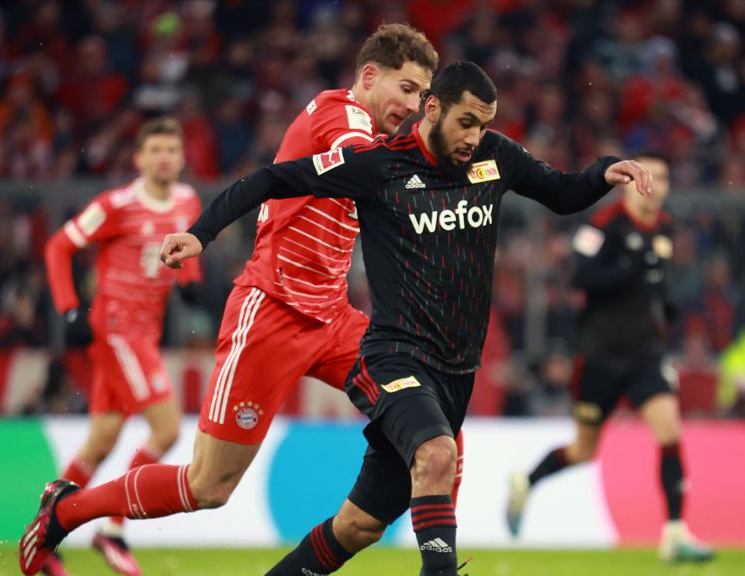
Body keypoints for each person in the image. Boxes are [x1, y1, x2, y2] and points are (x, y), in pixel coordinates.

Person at [166, 61, 650, 576]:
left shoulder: (495, 157)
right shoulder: (379, 165)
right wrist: (201, 233)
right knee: (439, 453)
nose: (474, 136)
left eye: (484, 124)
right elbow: (271, 179)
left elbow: (562, 191)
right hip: (393, 357)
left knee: (358, 527)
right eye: (466, 122)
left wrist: (603, 172)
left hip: (455, 373)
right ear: (433, 108)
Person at [19, 24, 439, 576]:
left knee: (429, 413)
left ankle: (424, 552)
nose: (412, 106)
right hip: (271, 313)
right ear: (369, 76)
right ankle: (66, 513)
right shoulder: (339, 118)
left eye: (421, 96)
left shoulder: (377, 138)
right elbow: (368, 163)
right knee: (208, 485)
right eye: (406, 89)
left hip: (334, 318)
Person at [505, 152, 716, 563]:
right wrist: (630, 267)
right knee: (585, 450)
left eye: (665, 176)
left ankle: (674, 534)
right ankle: (526, 482)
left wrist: (667, 307)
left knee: (669, 431)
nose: (656, 183)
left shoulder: (666, 229)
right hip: (599, 356)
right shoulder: (604, 225)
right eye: (649, 174)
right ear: (631, 181)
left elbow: (656, 283)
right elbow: (580, 279)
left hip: (644, 355)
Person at [38, 116, 202, 576]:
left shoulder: (188, 200)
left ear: (182, 157)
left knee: (102, 440)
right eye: (156, 150)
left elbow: (184, 251)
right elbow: (57, 247)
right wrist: (70, 308)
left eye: (172, 148)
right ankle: (111, 529)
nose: (165, 157)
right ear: (139, 159)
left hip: (145, 333)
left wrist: (190, 279)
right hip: (116, 331)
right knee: (167, 429)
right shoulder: (117, 204)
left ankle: (44, 534)